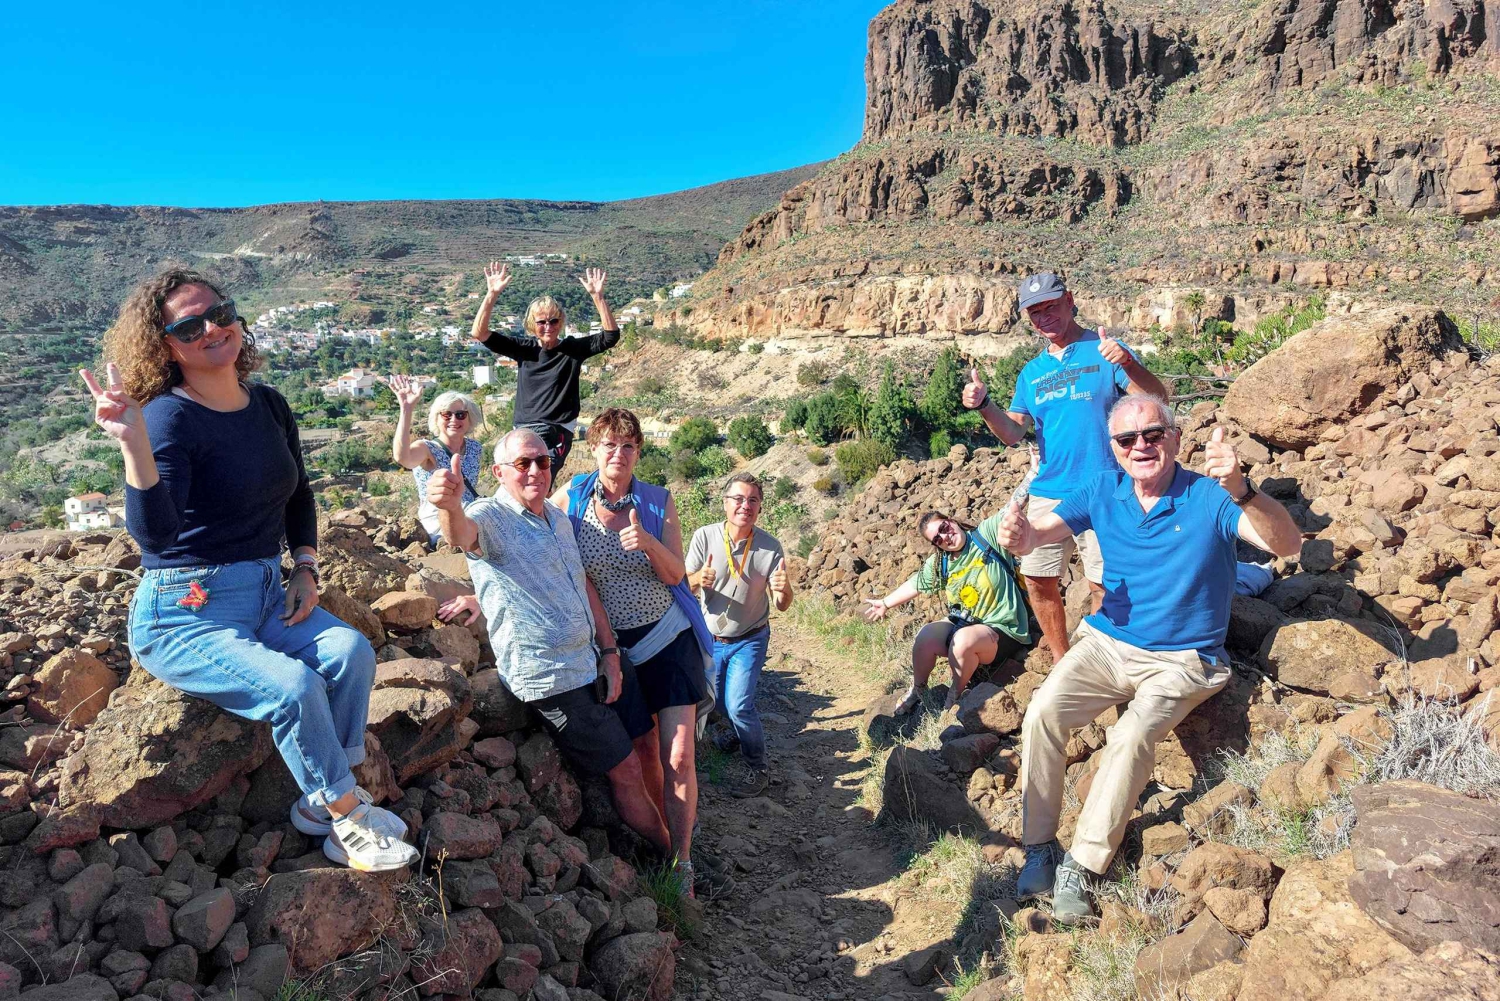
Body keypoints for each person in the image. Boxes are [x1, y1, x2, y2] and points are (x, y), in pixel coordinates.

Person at [85, 267, 415, 873]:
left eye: (219, 312)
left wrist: (306, 567)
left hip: (266, 592)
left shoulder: (268, 404)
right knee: (294, 688)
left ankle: (323, 799)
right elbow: (155, 535)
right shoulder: (165, 418)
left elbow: (298, 495)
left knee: (351, 651)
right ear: (165, 344)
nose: (212, 328)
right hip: (186, 611)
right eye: (189, 324)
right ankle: (346, 814)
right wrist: (133, 442)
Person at [997, 394, 1302, 924]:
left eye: (1153, 435)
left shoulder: (1209, 497)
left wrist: (1244, 490)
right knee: (1044, 712)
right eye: (1126, 439)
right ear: (1113, 449)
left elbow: (1288, 544)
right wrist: (1023, 536)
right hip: (1108, 642)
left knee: (1131, 735)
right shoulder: (1102, 489)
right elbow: (1044, 535)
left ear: (1175, 439)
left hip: (1183, 658)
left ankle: (1082, 867)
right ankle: (1040, 847)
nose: (1141, 446)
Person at [426, 427, 672, 857]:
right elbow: (461, 534)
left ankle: (670, 831)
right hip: (554, 676)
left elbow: (583, 585)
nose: (536, 470)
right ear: (500, 472)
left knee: (647, 742)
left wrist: (611, 653)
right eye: (523, 463)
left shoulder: (557, 519)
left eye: (542, 461)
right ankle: (673, 858)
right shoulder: (492, 517)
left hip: (595, 658)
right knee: (628, 770)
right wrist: (449, 505)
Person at [963, 272, 1169, 664]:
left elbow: (1157, 399)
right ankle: (1061, 659)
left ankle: (1100, 660)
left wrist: (1127, 362)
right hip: (1049, 491)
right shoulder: (1032, 373)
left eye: (1050, 306)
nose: (1044, 316)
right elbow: (1012, 432)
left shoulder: (1104, 350)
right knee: (1039, 580)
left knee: (1102, 583)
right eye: (1034, 311)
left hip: (1107, 487)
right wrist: (984, 404)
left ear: (1069, 300)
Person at [549, 407, 713, 893]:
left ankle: (682, 862)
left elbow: (676, 574)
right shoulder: (573, 498)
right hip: (613, 646)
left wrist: (646, 542)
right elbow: (533, 535)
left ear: (639, 451)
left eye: (628, 446)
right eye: (609, 444)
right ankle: (669, 830)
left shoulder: (658, 501)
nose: (618, 454)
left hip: (665, 636)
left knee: (680, 754)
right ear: (594, 448)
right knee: (644, 750)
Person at [685, 472, 794, 799]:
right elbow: (682, 583)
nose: (744, 505)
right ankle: (734, 733)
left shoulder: (770, 546)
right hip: (710, 640)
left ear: (759, 506)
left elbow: (783, 604)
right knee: (714, 704)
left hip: (750, 638)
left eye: (752, 500)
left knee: (740, 704)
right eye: (738, 499)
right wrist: (696, 578)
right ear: (725, 503)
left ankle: (758, 767)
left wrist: (784, 589)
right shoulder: (704, 537)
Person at [862, 506, 1034, 713]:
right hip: (967, 624)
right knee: (925, 636)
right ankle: (918, 689)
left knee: (963, 640)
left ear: (952, 521)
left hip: (1004, 628)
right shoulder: (942, 562)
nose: (946, 537)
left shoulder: (985, 536)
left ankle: (955, 694)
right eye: (938, 539)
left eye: (944, 527)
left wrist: (1043, 476)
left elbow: (1012, 507)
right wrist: (886, 603)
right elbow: (917, 583)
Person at [469, 262, 619, 470]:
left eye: (553, 321)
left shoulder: (573, 349)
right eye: (541, 322)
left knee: (537, 481)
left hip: (555, 429)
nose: (548, 326)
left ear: (560, 323)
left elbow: (610, 336)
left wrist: (598, 297)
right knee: (516, 482)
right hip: (522, 429)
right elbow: (479, 333)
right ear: (533, 324)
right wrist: (491, 294)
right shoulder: (523, 349)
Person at [387, 375, 485, 547]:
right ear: (437, 419)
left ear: (469, 419)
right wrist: (406, 409)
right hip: (439, 519)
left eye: (460, 414)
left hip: (469, 513)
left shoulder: (475, 448)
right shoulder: (427, 449)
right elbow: (403, 457)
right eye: (446, 415)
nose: (454, 420)